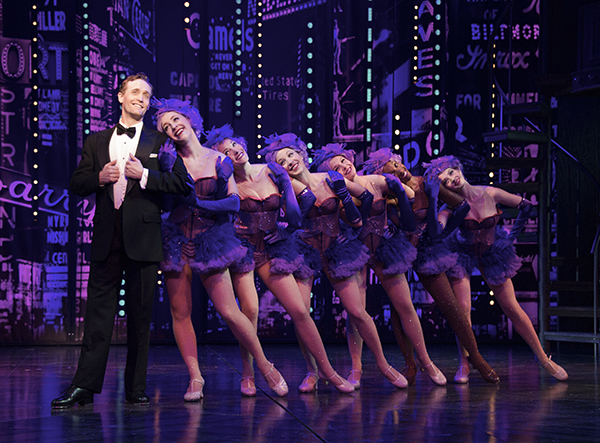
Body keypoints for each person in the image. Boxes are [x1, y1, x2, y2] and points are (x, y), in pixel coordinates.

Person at [51, 73, 195, 409]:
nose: (141, 99)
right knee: (98, 316)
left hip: (144, 238)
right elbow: (77, 182)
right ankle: (83, 387)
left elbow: (181, 183)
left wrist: (143, 175)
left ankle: (135, 387)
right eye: (135, 92)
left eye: (146, 95)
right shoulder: (96, 140)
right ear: (120, 96)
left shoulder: (160, 142)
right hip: (107, 237)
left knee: (140, 316)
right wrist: (98, 177)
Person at [154, 99, 289, 401]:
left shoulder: (218, 159)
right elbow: (164, 204)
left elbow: (232, 203)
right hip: (176, 240)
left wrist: (198, 202)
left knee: (230, 311)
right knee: (180, 311)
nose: (173, 127)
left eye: (175, 120)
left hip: (210, 239)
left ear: (190, 120)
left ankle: (265, 366)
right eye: (165, 127)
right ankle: (195, 378)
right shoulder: (168, 160)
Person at [205, 125, 354, 394]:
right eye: (225, 152)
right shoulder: (229, 181)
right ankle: (249, 373)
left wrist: (285, 199)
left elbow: (296, 218)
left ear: (243, 144)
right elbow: (222, 214)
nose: (233, 152)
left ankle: (327, 371)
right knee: (249, 311)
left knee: (299, 310)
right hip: (243, 251)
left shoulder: (272, 171)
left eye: (234, 145)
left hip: (274, 249)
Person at [258, 134, 408, 390]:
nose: (289, 162)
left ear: (301, 154)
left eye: (291, 155)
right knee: (301, 312)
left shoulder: (328, 178)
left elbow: (367, 198)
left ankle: (383, 365)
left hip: (338, 248)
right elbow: (288, 218)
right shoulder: (284, 188)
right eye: (282, 161)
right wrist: (284, 230)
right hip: (304, 251)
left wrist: (351, 222)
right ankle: (312, 371)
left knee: (358, 311)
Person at [311, 143, 447, 387]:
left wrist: (395, 194)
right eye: (337, 167)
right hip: (353, 250)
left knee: (405, 304)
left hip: (385, 246)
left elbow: (412, 195)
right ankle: (356, 368)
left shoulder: (373, 180)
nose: (345, 166)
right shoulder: (332, 190)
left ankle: (426, 361)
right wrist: (339, 233)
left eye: (344, 161)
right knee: (356, 313)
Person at [424, 155, 568, 381]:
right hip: (461, 253)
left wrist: (510, 238)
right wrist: (434, 205)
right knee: (463, 309)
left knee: (512, 307)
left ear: (458, 168)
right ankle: (465, 363)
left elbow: (526, 206)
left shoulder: (490, 193)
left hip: (493, 253)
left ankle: (543, 358)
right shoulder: (449, 207)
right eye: (445, 181)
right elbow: (438, 229)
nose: (452, 179)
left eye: (451, 172)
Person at [362, 149, 500, 384]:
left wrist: (442, 229)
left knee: (450, 304)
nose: (398, 170)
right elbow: (406, 222)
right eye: (390, 172)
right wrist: (403, 195)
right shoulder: (391, 198)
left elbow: (462, 207)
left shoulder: (428, 183)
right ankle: (410, 364)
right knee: (399, 309)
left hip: (427, 248)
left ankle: (476, 358)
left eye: (395, 165)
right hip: (399, 248)